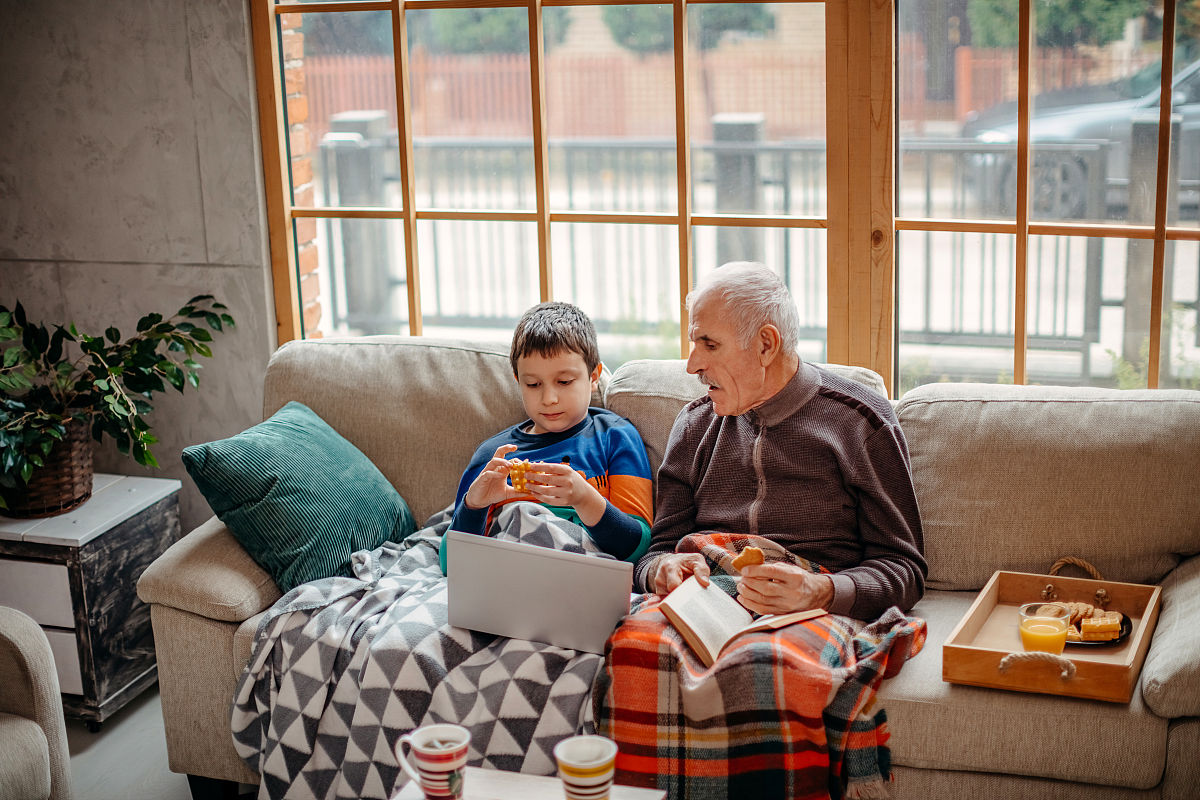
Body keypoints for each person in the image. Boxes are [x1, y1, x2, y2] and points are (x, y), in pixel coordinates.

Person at [636, 262, 926, 620]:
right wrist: (661, 569)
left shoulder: (861, 423)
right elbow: (656, 553)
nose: (692, 364)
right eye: (694, 344)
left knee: (758, 665)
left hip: (810, 612)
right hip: (706, 602)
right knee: (624, 646)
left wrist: (821, 591)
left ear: (766, 345)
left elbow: (904, 570)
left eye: (709, 344)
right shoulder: (694, 425)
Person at [443, 301, 654, 574]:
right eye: (533, 384)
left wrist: (583, 498)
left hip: (583, 579)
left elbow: (637, 549)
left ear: (593, 377)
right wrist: (475, 506)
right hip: (507, 580)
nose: (549, 399)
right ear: (518, 380)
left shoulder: (615, 437)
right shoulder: (494, 456)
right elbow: (451, 566)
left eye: (564, 382)